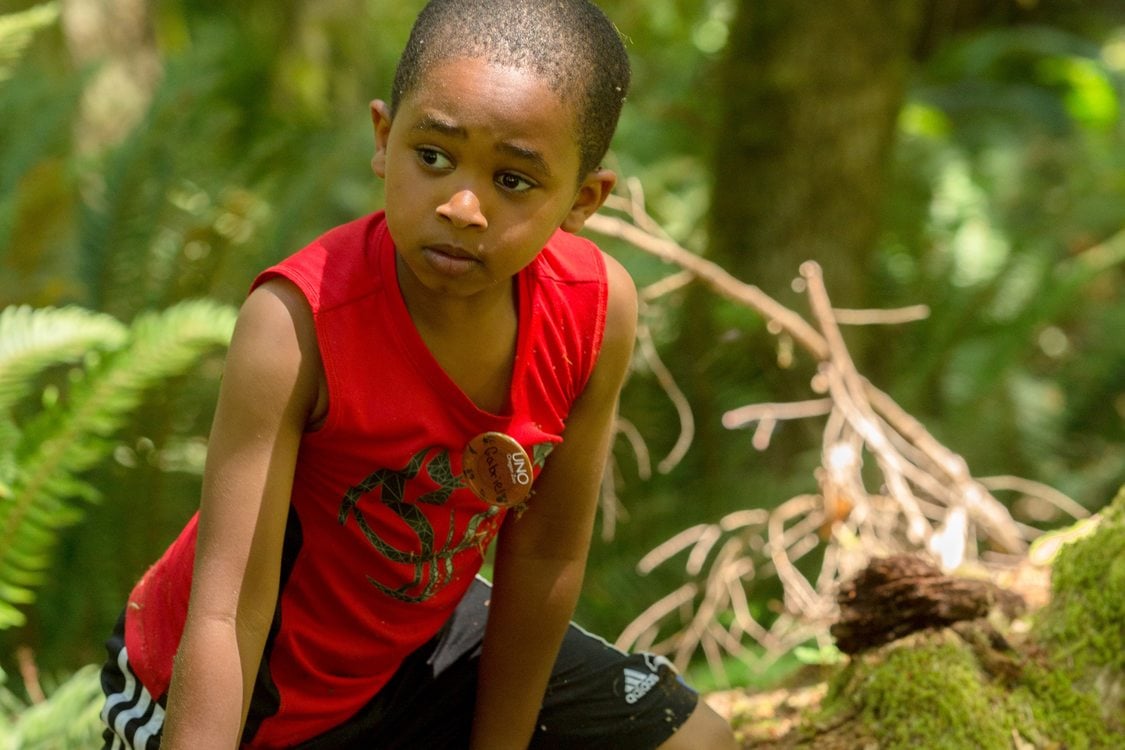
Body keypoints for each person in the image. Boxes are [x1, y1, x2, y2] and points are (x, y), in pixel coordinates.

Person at [99, 1, 737, 748]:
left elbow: (545, 558)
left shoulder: (593, 312)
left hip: (418, 647)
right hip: (245, 687)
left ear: (583, 200)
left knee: (696, 740)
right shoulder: (298, 325)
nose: (463, 207)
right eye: (432, 157)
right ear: (382, 138)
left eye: (513, 180)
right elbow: (225, 614)